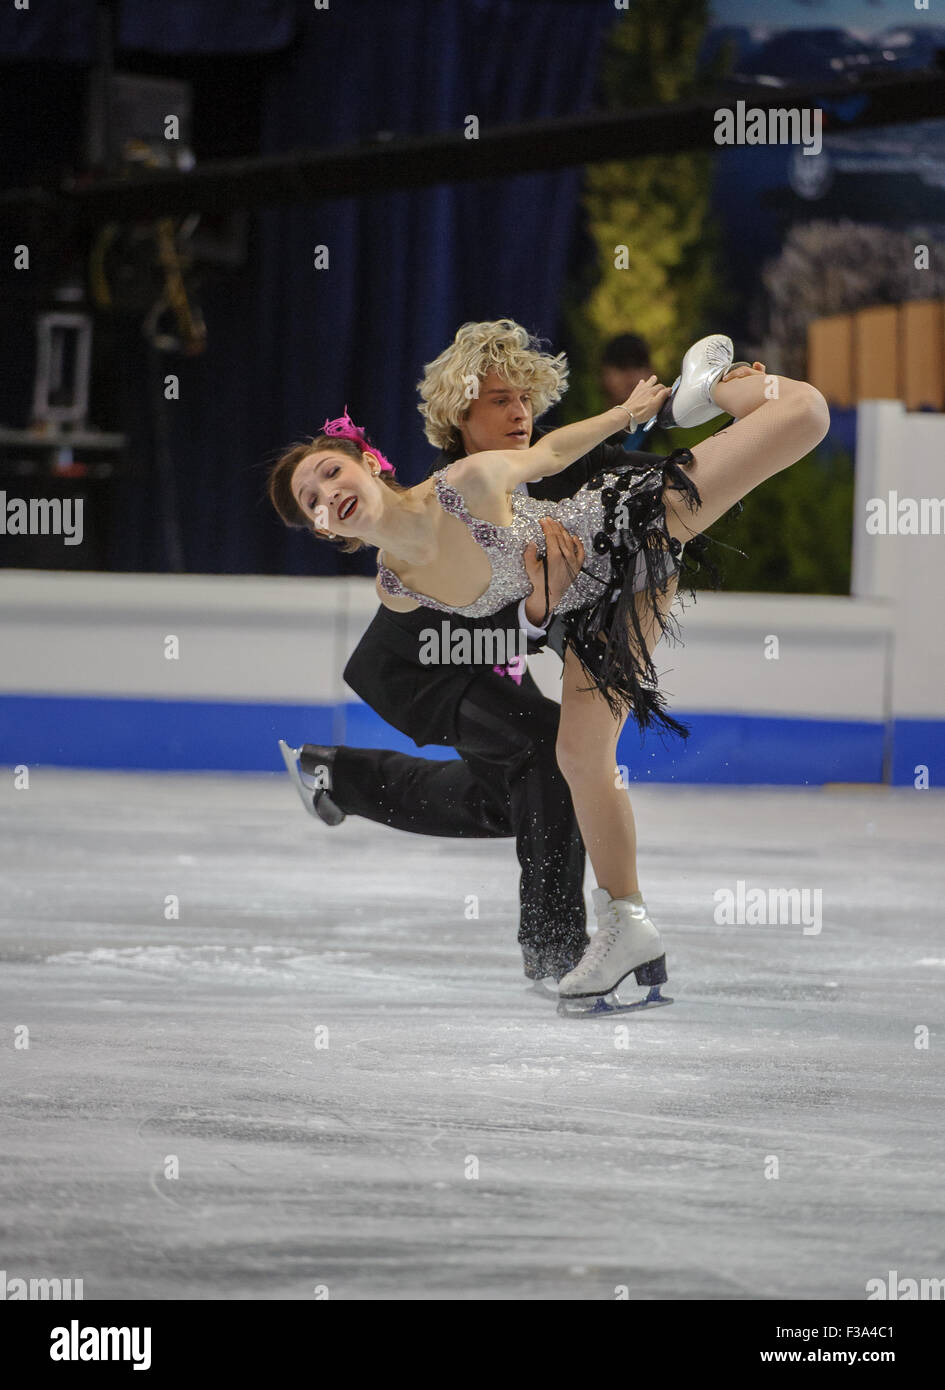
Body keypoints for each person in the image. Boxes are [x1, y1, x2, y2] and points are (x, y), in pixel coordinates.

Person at [268, 333, 831, 1004]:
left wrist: (649, 413)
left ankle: (704, 388)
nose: (327, 491)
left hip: (624, 528)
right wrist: (537, 609)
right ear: (325, 529)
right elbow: (490, 632)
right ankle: (626, 924)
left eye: (330, 472)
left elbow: (555, 453)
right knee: (574, 756)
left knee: (803, 413)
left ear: (366, 463)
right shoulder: (395, 586)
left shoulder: (468, 483)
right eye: (312, 499)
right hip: (515, 636)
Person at [273, 320, 663, 988]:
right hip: (416, 667)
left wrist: (541, 611)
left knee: (521, 794)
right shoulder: (452, 496)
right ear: (457, 418)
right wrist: (535, 611)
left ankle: (337, 776)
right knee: (548, 756)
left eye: (525, 400)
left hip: (474, 654)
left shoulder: (519, 487)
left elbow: (522, 612)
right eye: (499, 402)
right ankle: (555, 952)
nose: (520, 415)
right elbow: (479, 617)